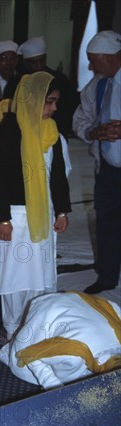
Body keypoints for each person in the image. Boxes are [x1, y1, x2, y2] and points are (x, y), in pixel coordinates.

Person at [0, 72, 72, 339]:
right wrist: (3, 219)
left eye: (56, 102)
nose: (54, 108)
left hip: (42, 215)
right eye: (50, 102)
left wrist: (62, 210)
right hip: (16, 218)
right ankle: (14, 329)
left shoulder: (51, 132)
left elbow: (57, 176)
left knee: (40, 274)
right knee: (16, 277)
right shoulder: (9, 133)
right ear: (32, 101)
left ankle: (36, 327)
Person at [73, 30, 121, 295]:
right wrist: (93, 132)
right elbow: (80, 120)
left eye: (93, 60)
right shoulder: (98, 86)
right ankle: (107, 276)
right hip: (107, 171)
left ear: (110, 57)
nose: (90, 66)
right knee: (106, 223)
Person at [0, 292, 121, 389]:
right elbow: (32, 355)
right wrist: (54, 387)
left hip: (74, 303)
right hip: (51, 310)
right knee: (22, 364)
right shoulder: (72, 355)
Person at [4, 36, 79, 138]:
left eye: (41, 60)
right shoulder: (16, 83)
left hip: (56, 133)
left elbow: (69, 109)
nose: (38, 66)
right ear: (25, 62)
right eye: (34, 62)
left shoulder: (60, 80)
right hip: (24, 135)